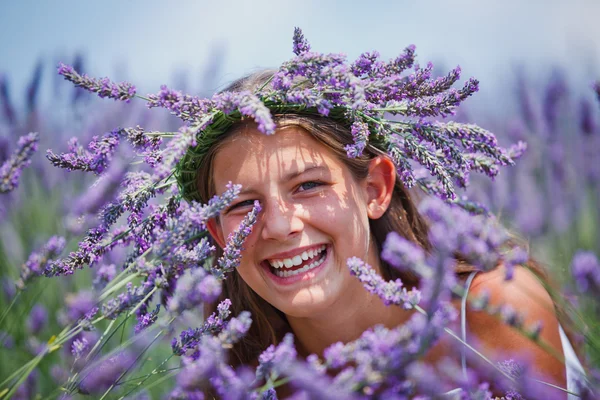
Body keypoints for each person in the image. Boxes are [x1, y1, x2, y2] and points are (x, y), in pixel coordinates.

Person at [176, 68, 586, 398]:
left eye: (308, 185)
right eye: (243, 204)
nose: (281, 226)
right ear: (218, 234)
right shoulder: (239, 381)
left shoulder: (491, 314)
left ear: (375, 189)